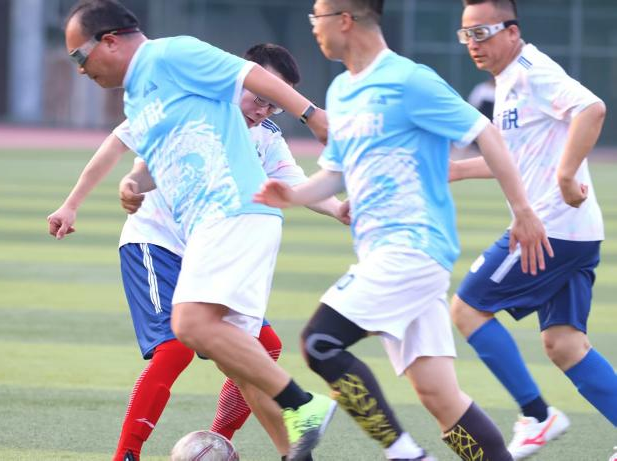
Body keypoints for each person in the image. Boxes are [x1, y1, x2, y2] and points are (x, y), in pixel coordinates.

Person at [254, 0, 553, 459]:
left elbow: (487, 134)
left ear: (345, 20)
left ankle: (404, 453)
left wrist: (523, 210)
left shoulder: (409, 80)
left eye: (318, 17)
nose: (314, 27)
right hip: (386, 254)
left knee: (319, 342)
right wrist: (292, 195)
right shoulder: (341, 90)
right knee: (440, 397)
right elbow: (334, 174)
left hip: (412, 249)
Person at [56, 2, 337, 459]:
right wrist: (133, 184)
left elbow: (252, 75)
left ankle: (302, 403)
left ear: (109, 41)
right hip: (219, 222)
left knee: (188, 325)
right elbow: (159, 160)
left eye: (78, 56)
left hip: (231, 212)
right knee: (241, 362)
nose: (80, 69)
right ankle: (294, 451)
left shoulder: (169, 54)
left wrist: (312, 114)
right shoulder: (139, 96)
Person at [450, 0, 617, 458]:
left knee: (467, 309)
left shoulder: (530, 71)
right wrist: (457, 170)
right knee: (564, 345)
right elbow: (514, 159)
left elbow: (592, 108)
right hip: (576, 232)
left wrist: (565, 176)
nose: (473, 44)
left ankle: (538, 415)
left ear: (511, 31)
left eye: (481, 33)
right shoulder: (507, 81)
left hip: (551, 227)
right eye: (466, 35)